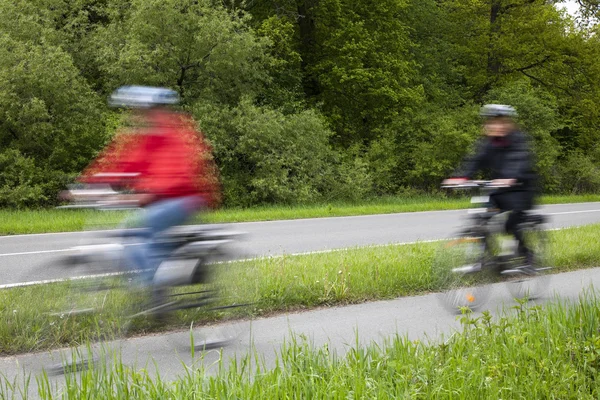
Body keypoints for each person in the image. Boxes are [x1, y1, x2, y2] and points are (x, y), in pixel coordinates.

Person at [77, 86, 221, 289]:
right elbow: (122, 165)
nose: (137, 116)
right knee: (145, 238)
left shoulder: (176, 134)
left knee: (135, 228)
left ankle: (153, 292)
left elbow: (180, 172)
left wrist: (150, 193)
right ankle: (160, 280)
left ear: (154, 110)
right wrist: (88, 185)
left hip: (184, 199)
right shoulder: (146, 139)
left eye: (141, 110)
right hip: (160, 201)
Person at [443, 104, 538, 271]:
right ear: (487, 125)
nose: (497, 126)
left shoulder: (517, 139)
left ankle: (527, 256)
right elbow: (475, 161)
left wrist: (510, 177)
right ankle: (486, 259)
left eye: (501, 122)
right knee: (480, 219)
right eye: (493, 122)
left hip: (521, 189)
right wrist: (461, 177)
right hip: (499, 189)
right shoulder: (488, 143)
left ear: (508, 123)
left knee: (511, 224)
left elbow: (518, 159)